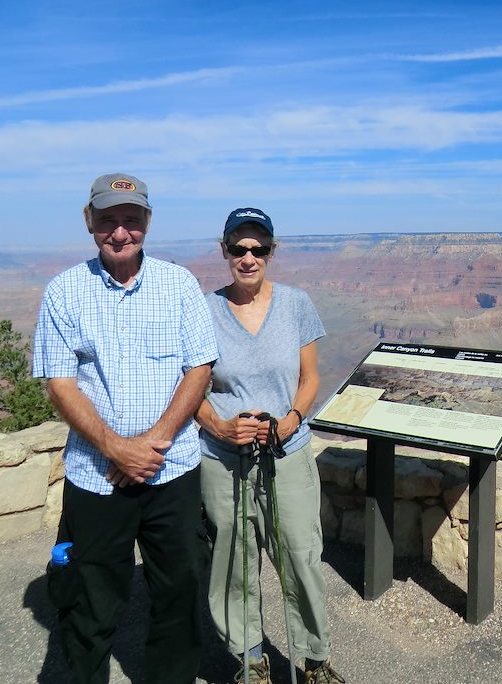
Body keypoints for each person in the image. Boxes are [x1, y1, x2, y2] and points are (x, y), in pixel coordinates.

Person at [32, 172, 219, 684]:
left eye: (131, 220)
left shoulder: (179, 284)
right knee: (90, 603)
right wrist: (116, 449)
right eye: (109, 220)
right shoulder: (65, 291)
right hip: (97, 477)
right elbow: (60, 381)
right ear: (89, 220)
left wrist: (149, 446)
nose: (120, 232)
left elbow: (199, 368)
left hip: (172, 472)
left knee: (179, 598)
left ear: (148, 223)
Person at [195, 207, 343, 684]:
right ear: (225, 251)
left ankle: (314, 660)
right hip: (224, 459)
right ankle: (251, 660)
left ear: (272, 252)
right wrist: (219, 427)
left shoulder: (297, 304)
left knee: (301, 556)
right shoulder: (203, 310)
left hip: (288, 453)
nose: (249, 257)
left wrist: (292, 419)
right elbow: (189, 390)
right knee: (233, 562)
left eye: (259, 248)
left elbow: (310, 376)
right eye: (239, 248)